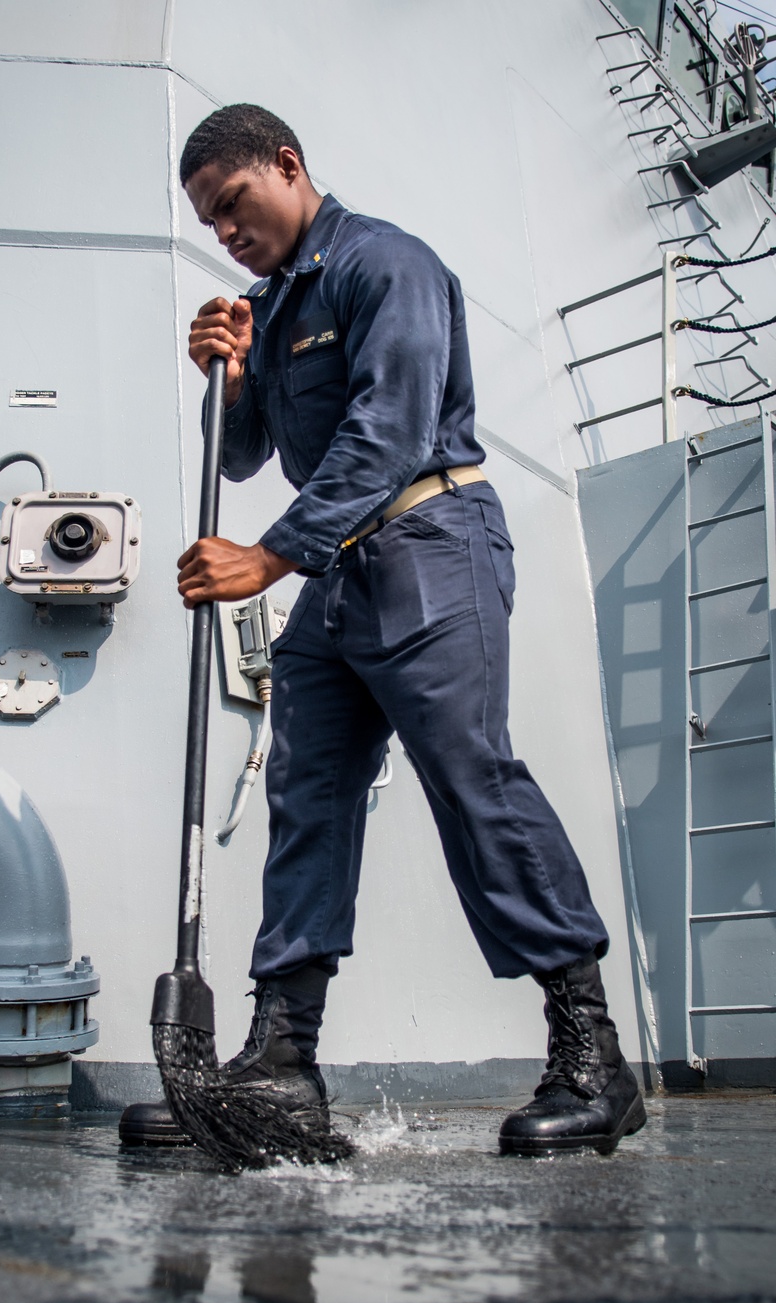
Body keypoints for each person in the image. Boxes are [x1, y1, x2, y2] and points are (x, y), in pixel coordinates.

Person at [139, 103, 645, 1156]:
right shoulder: (272, 311)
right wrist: (221, 376)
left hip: (427, 539)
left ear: (286, 166)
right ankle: (282, 1065)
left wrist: (267, 556)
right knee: (306, 797)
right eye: (209, 224)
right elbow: (239, 458)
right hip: (336, 578)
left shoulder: (385, 264)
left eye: (233, 207)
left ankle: (591, 1057)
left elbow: (391, 429)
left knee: (470, 775)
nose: (225, 234)